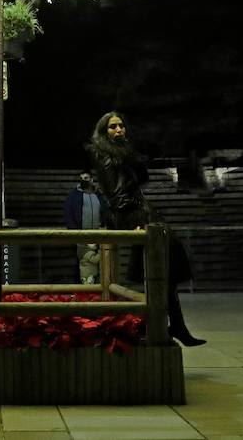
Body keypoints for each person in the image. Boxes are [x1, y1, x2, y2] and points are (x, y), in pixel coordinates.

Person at [86, 112, 204, 346]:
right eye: (112, 127)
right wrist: (133, 219)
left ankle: (174, 327)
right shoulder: (104, 154)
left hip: (140, 207)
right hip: (130, 212)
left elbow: (137, 180)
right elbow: (115, 195)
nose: (119, 130)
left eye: (121, 125)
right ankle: (172, 327)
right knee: (163, 262)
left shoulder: (124, 152)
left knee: (165, 266)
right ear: (104, 131)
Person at [64, 170, 108, 284]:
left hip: (98, 237)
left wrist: (104, 226)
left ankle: (98, 292)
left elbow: (105, 212)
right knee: (79, 266)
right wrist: (74, 233)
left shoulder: (98, 195)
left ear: (92, 180)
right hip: (80, 238)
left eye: (86, 178)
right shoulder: (73, 196)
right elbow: (69, 214)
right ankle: (78, 292)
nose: (83, 180)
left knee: (99, 265)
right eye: (82, 178)